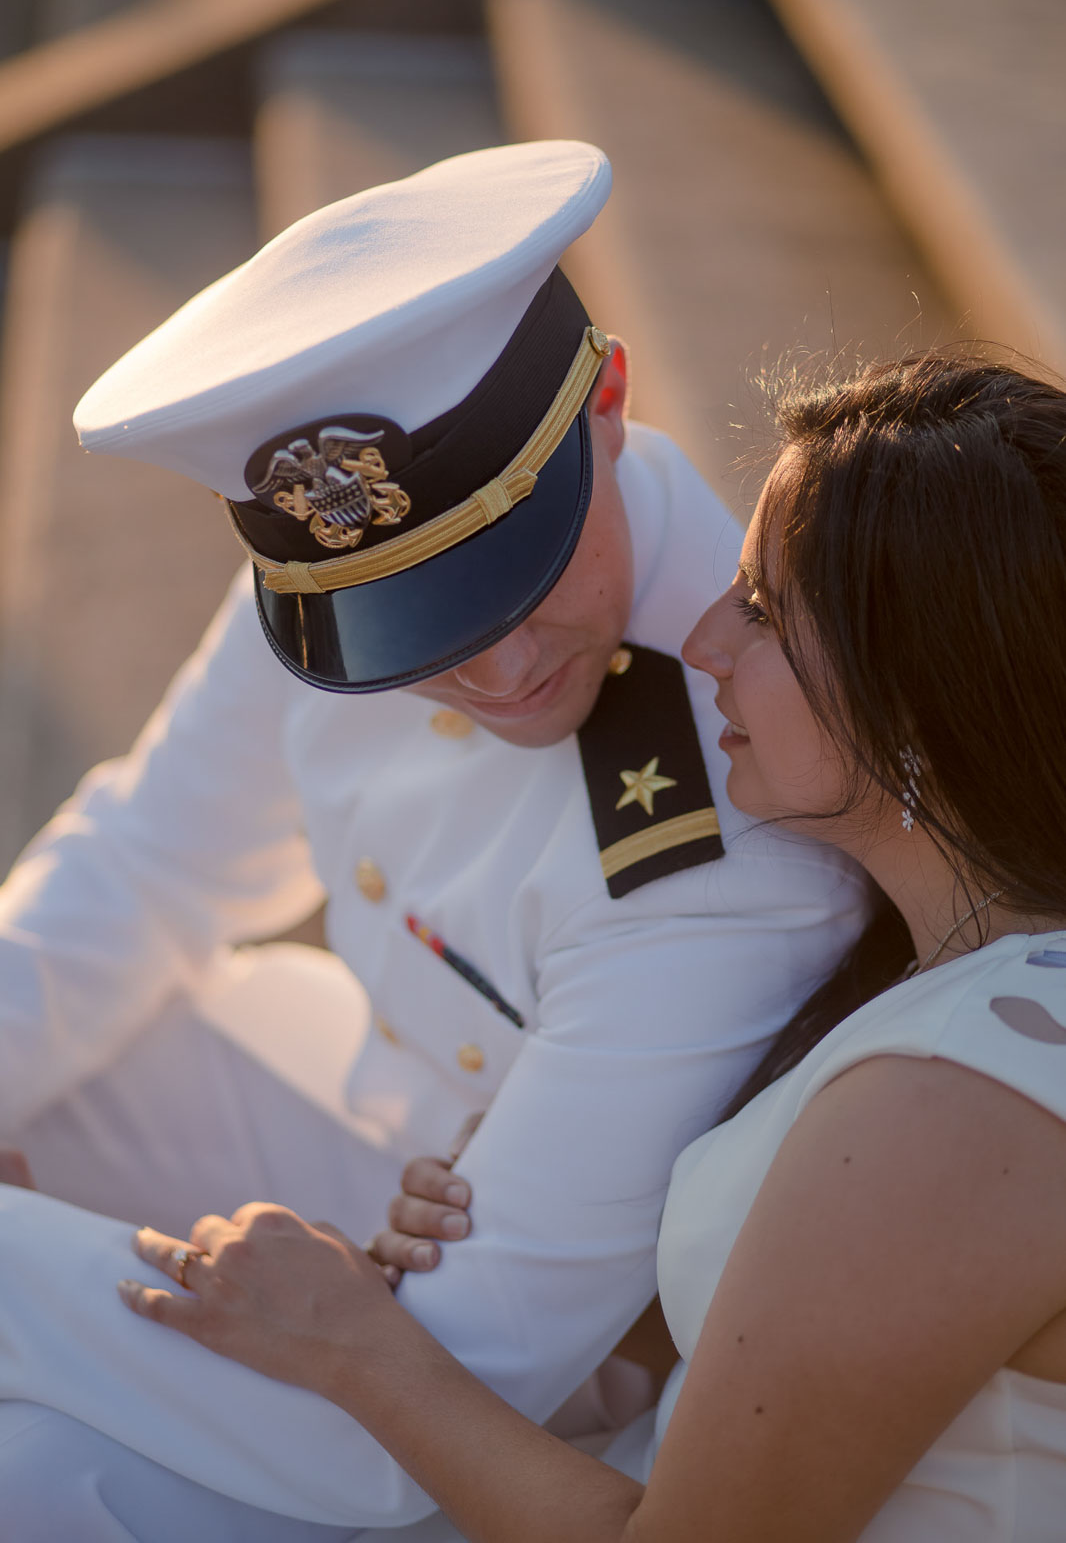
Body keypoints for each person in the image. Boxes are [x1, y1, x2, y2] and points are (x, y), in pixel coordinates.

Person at [0, 141, 864, 1535]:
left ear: (612, 404)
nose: (498, 665)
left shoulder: (731, 817)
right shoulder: (347, 572)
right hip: (382, 1148)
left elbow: (425, 1411)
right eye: (418, 625)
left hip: (559, 1380)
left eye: (519, 577)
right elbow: (144, 866)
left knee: (36, 1478)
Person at [113, 348, 1066, 1543]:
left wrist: (361, 1350)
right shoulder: (962, 999)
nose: (705, 640)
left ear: (912, 700)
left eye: (764, 610)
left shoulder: (949, 1103)